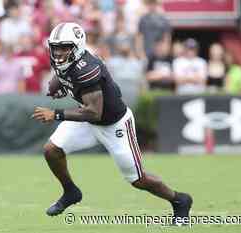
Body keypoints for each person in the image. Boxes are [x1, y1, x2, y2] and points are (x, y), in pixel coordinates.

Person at [32, 22, 192, 223]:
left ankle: (180, 201)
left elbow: (94, 113)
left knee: (138, 179)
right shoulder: (65, 60)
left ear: (78, 46)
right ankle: (71, 192)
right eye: (55, 47)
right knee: (51, 150)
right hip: (88, 119)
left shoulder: (87, 68)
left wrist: (55, 114)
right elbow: (63, 74)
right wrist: (56, 84)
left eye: (64, 47)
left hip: (113, 124)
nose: (58, 53)